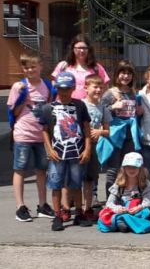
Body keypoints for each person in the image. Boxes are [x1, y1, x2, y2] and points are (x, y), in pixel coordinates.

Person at [8, 52, 56, 222]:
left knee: (42, 170)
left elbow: (50, 108)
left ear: (40, 67)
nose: (29, 70)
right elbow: (13, 112)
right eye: (26, 67)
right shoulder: (18, 87)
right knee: (20, 169)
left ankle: (42, 204)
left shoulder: (47, 86)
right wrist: (23, 98)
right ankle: (20, 207)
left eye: (33, 66)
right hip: (23, 134)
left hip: (41, 135)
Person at [42, 72, 92, 230]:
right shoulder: (47, 108)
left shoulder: (79, 105)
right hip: (56, 153)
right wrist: (49, 149)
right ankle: (57, 215)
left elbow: (86, 128)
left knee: (76, 184)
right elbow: (44, 130)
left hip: (77, 152)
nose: (64, 92)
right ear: (56, 88)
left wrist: (88, 148)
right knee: (56, 184)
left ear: (73, 88)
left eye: (67, 89)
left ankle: (78, 213)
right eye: (61, 89)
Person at [100, 60, 141, 198]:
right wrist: (112, 107)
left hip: (130, 136)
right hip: (115, 136)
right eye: (123, 73)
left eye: (129, 73)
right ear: (117, 75)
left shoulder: (133, 93)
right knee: (113, 169)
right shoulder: (110, 93)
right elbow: (99, 112)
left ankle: (125, 197)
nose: (126, 76)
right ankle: (109, 200)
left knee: (129, 167)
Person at [99, 152, 150, 233]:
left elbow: (146, 202)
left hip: (138, 211)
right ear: (124, 168)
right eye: (128, 167)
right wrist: (118, 208)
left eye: (135, 167)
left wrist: (139, 207)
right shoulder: (119, 184)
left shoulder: (145, 184)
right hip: (122, 212)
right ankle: (127, 221)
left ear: (140, 168)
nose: (131, 170)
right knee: (111, 214)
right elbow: (109, 203)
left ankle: (127, 222)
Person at [82, 75, 110, 221]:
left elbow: (108, 130)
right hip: (79, 146)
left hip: (94, 147)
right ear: (86, 88)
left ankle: (88, 207)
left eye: (101, 87)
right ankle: (69, 207)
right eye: (95, 87)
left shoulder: (103, 108)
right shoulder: (80, 105)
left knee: (90, 178)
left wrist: (100, 132)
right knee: (74, 178)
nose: (98, 90)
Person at [51, 35, 110, 100]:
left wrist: (99, 100)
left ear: (89, 50)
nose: (82, 51)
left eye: (84, 48)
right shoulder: (63, 66)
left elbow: (105, 86)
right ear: (73, 49)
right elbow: (54, 82)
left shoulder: (97, 68)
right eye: (79, 48)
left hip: (88, 108)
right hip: (65, 107)